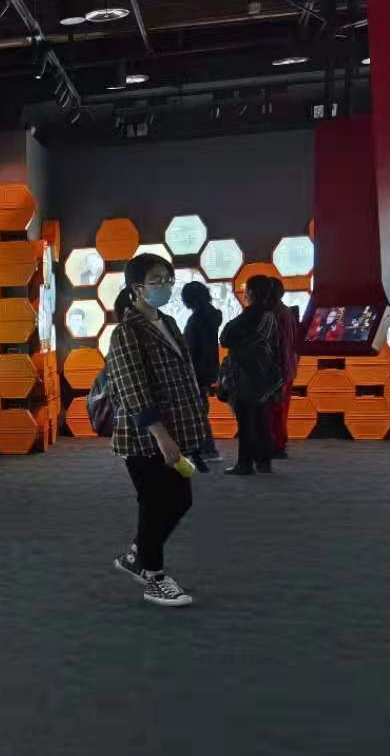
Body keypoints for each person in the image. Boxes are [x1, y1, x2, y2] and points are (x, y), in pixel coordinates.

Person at [103, 252, 210, 608]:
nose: (164, 286)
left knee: (178, 500)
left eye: (167, 279)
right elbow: (133, 388)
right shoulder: (126, 332)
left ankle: (138, 556)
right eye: (156, 281)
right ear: (137, 288)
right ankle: (154, 577)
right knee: (157, 503)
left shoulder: (168, 322)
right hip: (144, 437)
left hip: (176, 430)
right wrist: (161, 436)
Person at [220, 276, 282, 477]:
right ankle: (264, 462)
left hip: (246, 375)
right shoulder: (271, 315)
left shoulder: (250, 316)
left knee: (246, 422)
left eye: (246, 289)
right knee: (262, 420)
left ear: (252, 293)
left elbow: (225, 338)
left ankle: (244, 464)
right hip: (264, 375)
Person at [181, 281, 223, 464]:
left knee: (197, 411)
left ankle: (207, 449)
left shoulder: (197, 320)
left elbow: (191, 348)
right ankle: (203, 448)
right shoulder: (210, 315)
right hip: (207, 371)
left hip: (195, 372)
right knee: (199, 409)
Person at [265, 278, 298, 459]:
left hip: (278, 370)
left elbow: (279, 346)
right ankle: (279, 442)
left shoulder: (274, 315)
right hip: (288, 368)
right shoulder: (286, 312)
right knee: (280, 409)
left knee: (275, 410)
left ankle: (276, 445)